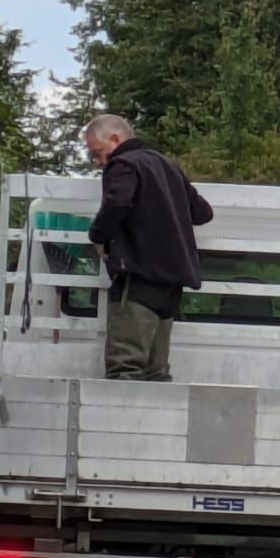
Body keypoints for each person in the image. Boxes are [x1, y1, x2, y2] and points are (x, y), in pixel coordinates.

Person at [84, 114, 214, 380]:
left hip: (139, 279)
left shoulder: (123, 163)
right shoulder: (169, 167)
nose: (99, 162)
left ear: (115, 139)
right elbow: (203, 213)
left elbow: (117, 202)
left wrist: (97, 236)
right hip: (171, 288)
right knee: (156, 374)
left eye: (97, 153)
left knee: (125, 368)